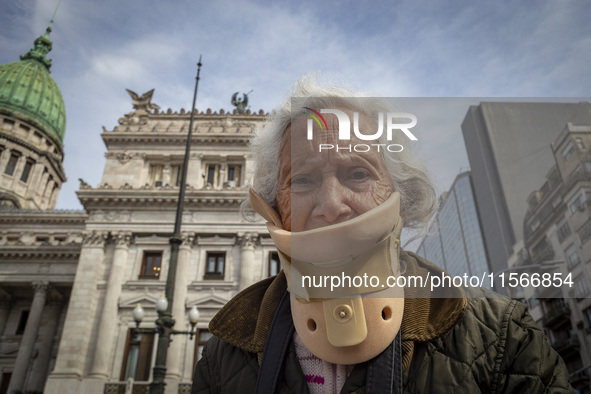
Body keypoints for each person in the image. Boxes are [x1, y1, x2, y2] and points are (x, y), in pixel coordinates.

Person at [192, 76, 575, 393]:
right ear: (275, 208)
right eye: (302, 179)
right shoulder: (223, 355)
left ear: (402, 198)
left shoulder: (503, 337)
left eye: (357, 174)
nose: (332, 205)